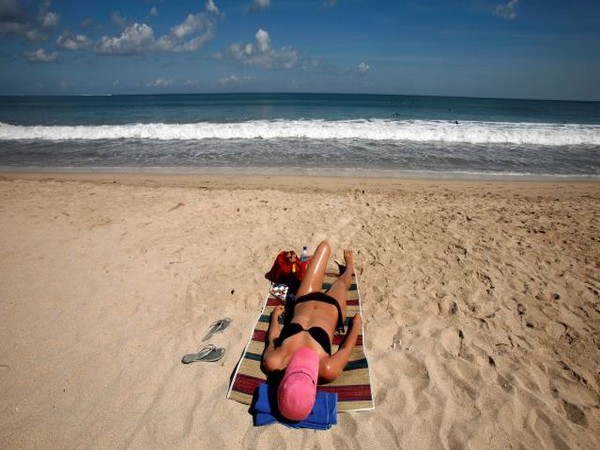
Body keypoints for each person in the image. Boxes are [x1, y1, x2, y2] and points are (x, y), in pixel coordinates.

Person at [261, 241, 363, 421]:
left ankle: (332, 264)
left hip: (304, 299)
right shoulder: (327, 369)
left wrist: (275, 318)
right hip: (333, 307)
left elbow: (273, 338)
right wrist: (356, 326)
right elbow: (346, 349)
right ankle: (349, 265)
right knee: (342, 281)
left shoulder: (274, 361)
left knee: (324, 247)